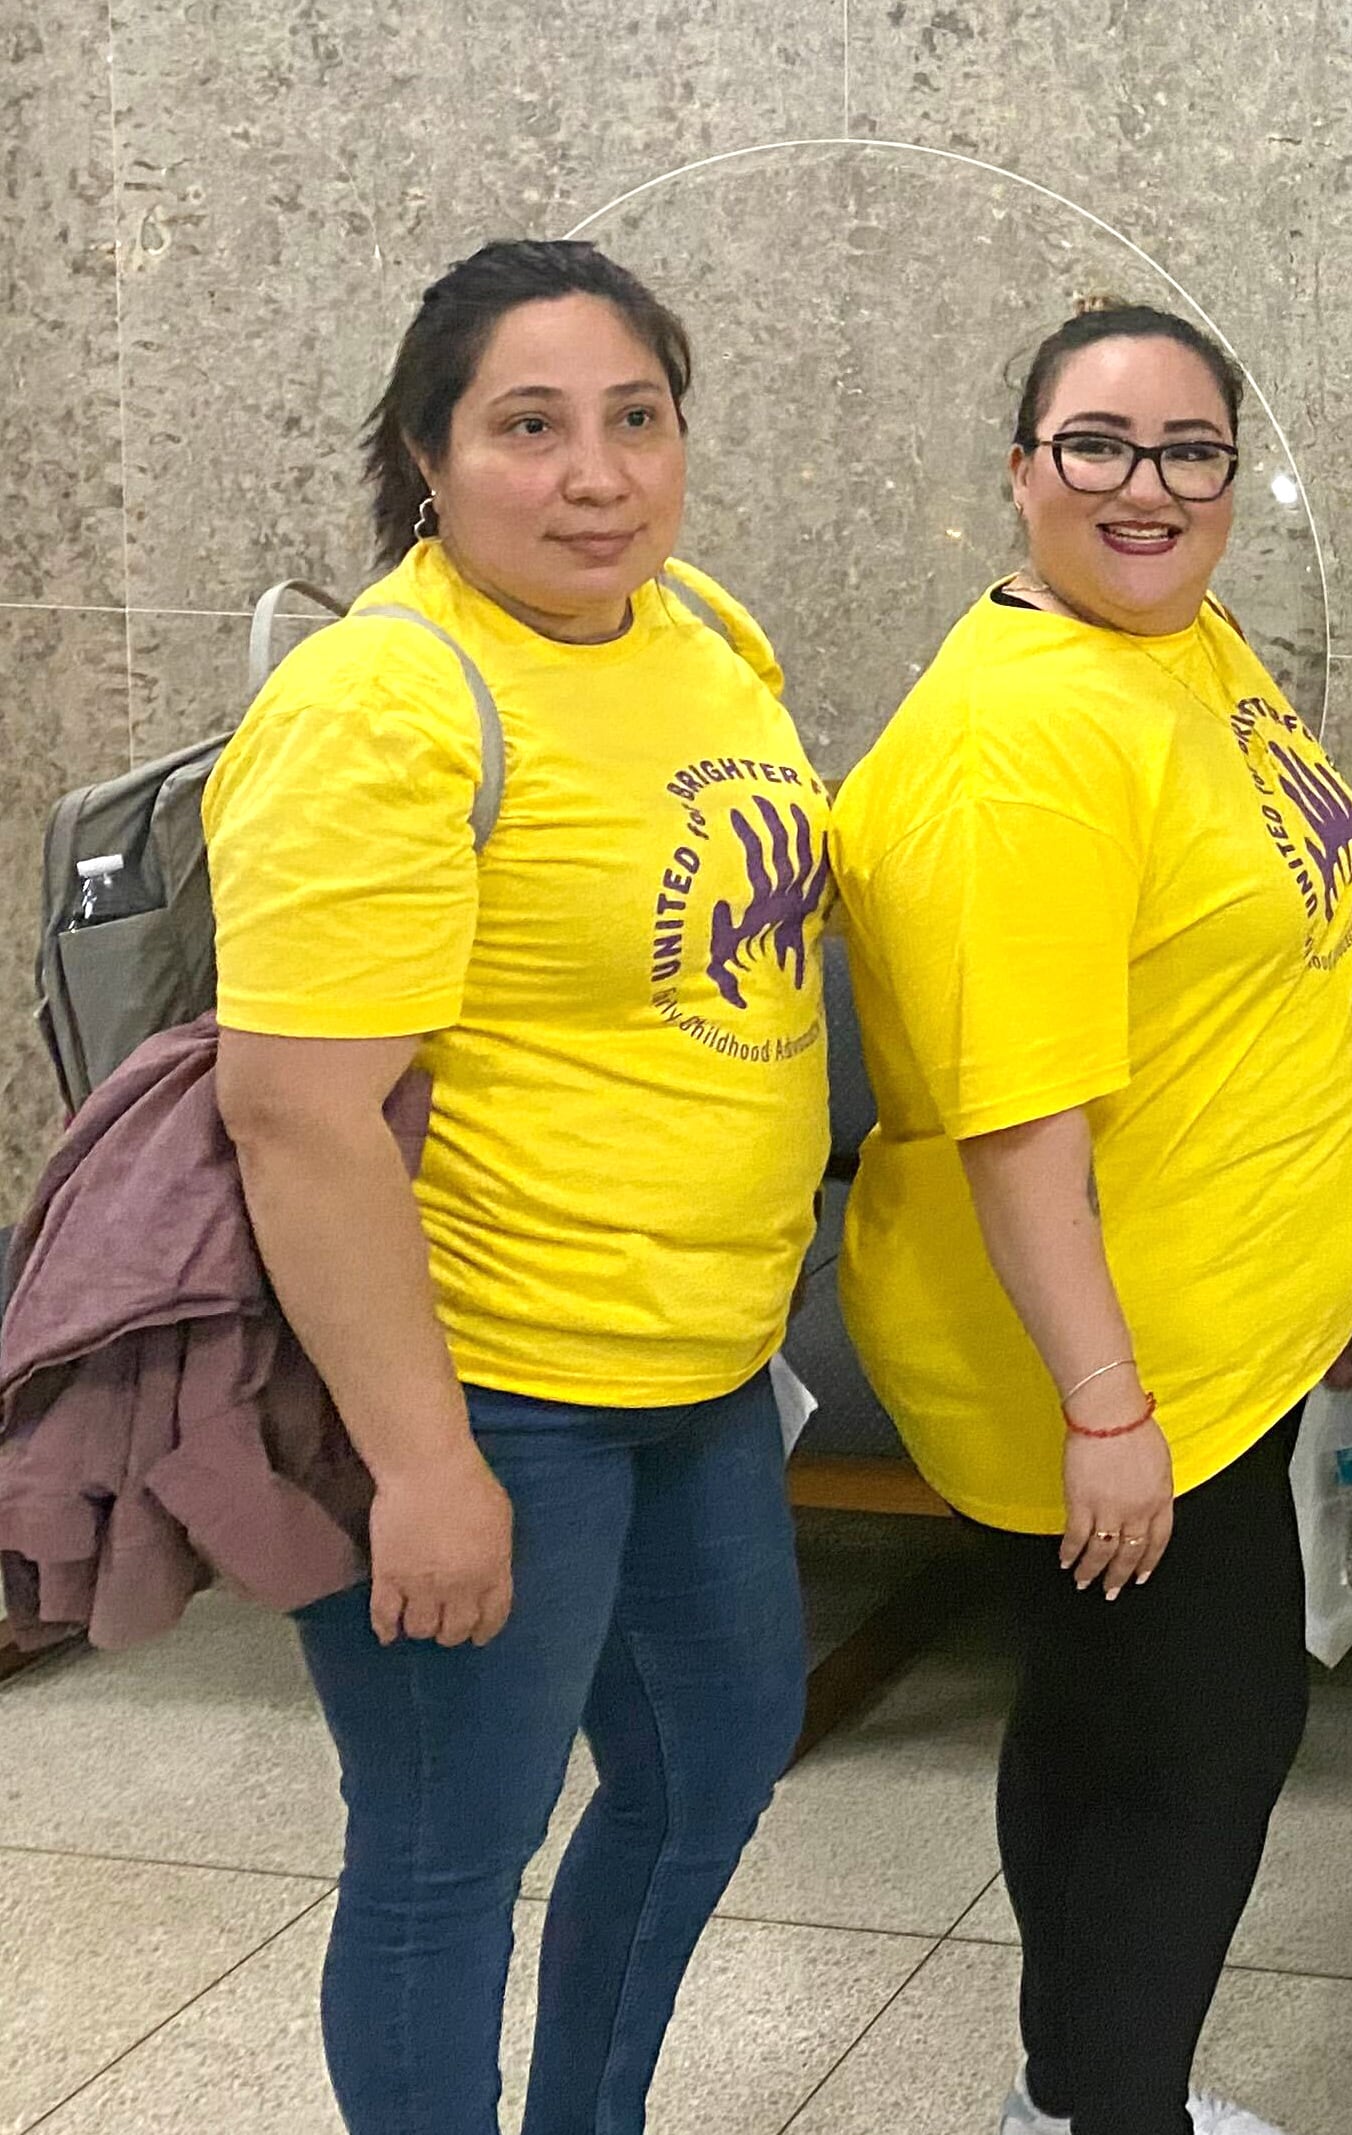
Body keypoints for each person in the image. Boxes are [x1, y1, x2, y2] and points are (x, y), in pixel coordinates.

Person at [205, 239, 826, 2135]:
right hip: (487, 1389)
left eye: (638, 419)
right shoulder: (378, 705)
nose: (597, 476)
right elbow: (296, 1118)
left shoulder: (699, 628)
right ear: (426, 451)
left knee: (709, 1767)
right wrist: (423, 1466)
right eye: (530, 428)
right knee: (444, 1856)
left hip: (702, 1370)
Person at [829, 303, 1352, 2135]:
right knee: (1196, 1755)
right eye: (1099, 448)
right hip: (1117, 1366)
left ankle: (1075, 2097)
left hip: (1216, 1326)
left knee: (1106, 1726)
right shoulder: (1023, 743)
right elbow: (1016, 1127)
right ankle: (1115, 2113)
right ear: (1019, 472)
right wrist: (1106, 1405)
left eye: (1190, 451)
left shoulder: (1186, 646)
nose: (1148, 489)